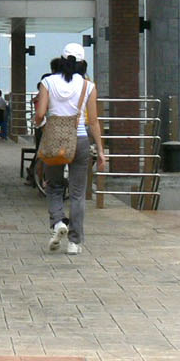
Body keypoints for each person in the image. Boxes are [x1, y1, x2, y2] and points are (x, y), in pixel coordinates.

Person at [32, 42, 108, 256]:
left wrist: (39, 123)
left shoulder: (48, 82)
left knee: (54, 186)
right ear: (82, 62)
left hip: (54, 140)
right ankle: (74, 242)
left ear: (62, 59)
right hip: (81, 141)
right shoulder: (88, 86)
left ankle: (58, 223)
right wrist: (100, 150)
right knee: (77, 194)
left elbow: (40, 113)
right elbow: (93, 121)